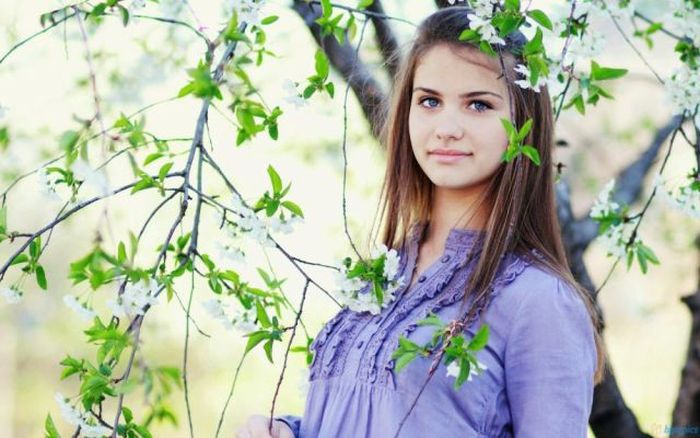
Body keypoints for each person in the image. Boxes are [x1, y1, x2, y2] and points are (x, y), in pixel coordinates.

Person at [235, 5, 606, 438]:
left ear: (522, 124)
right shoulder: (383, 273)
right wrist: (285, 429)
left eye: (479, 105)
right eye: (429, 101)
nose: (446, 127)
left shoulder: (538, 301)